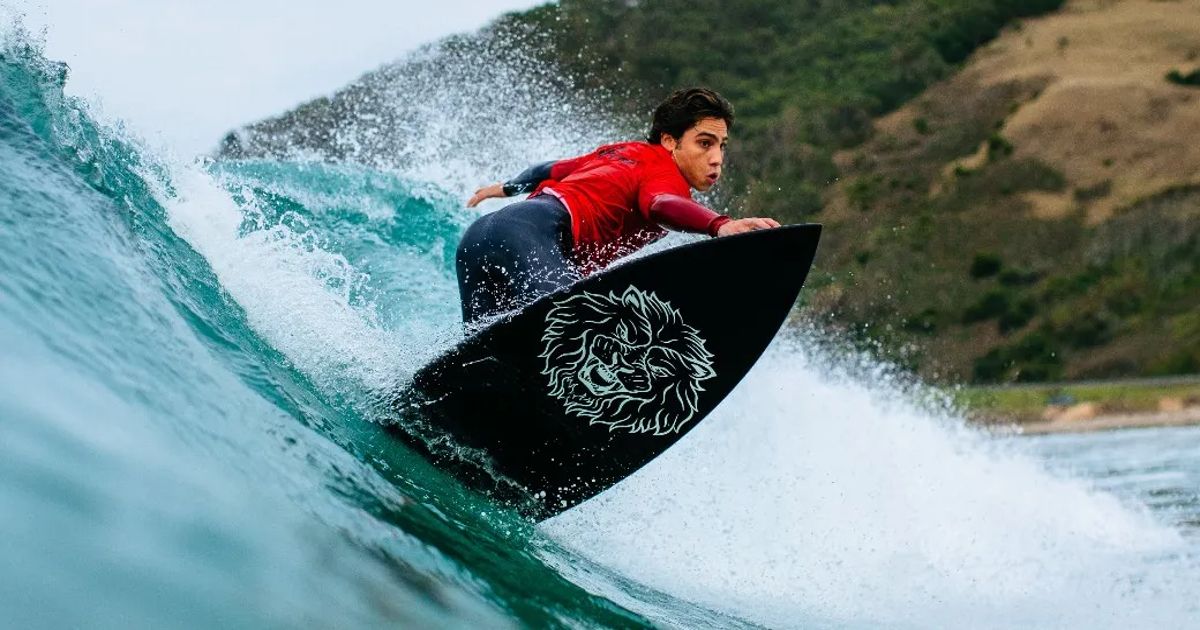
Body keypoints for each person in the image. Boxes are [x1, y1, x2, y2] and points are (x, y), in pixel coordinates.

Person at [456, 87, 780, 326]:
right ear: (669, 141)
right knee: (573, 328)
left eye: (721, 147)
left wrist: (506, 188)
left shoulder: (622, 152)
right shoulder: (663, 172)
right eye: (704, 143)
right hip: (532, 237)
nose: (716, 159)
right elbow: (660, 204)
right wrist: (719, 225)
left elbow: (552, 169)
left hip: (481, 238)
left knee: (487, 352)